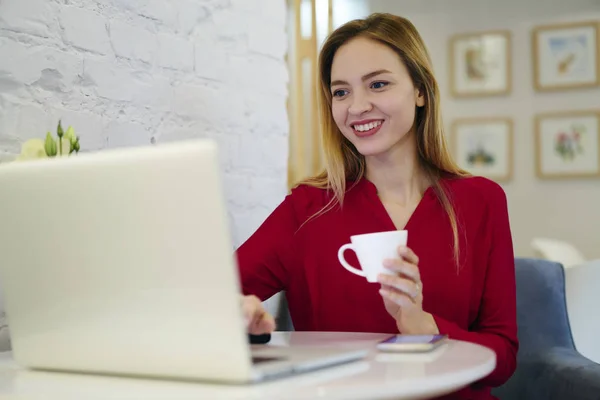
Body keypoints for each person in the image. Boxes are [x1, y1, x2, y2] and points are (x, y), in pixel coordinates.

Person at [238, 12, 518, 399]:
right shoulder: (307, 209)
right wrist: (241, 317)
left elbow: (503, 359)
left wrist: (424, 325)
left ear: (420, 91)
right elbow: (215, 297)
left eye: (378, 84)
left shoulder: (481, 201)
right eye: (341, 92)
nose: (356, 107)